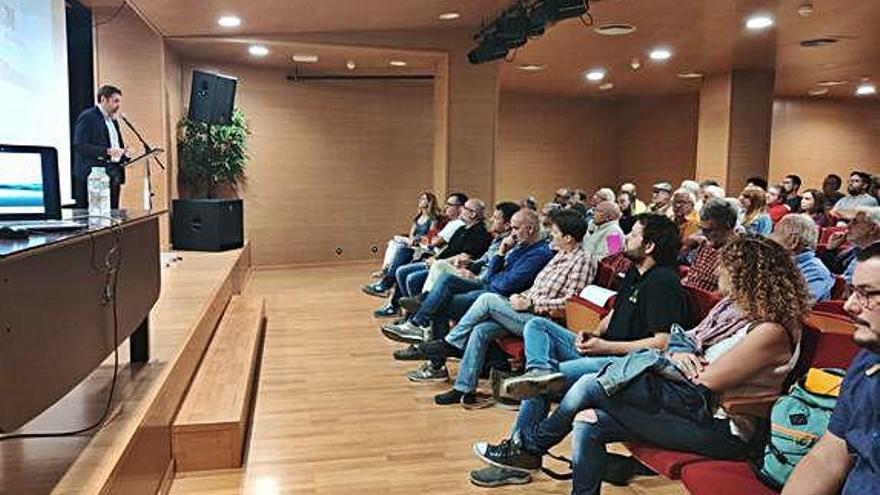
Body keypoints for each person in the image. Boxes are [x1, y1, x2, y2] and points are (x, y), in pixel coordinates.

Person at [473, 235, 810, 495]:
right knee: (588, 420)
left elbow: (704, 380)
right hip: (685, 403)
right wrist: (678, 352)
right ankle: (553, 464)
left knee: (589, 385)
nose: (718, 271)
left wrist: (679, 353)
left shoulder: (770, 331)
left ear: (746, 275)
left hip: (721, 427)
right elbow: (681, 337)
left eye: (727, 267)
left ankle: (530, 446)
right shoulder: (731, 311)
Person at [498, 214, 688, 400]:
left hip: (626, 361)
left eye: (599, 208)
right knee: (536, 327)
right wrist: (594, 333)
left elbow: (663, 342)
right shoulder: (631, 267)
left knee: (545, 379)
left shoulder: (615, 234)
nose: (627, 236)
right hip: (604, 346)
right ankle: (537, 372)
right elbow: (616, 310)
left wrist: (606, 346)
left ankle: (531, 408)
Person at [419, 209, 591, 405]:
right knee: (480, 330)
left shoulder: (581, 261)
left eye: (556, 232)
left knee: (487, 299)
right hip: (523, 309)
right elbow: (536, 288)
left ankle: (450, 342)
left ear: (568, 238)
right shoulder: (559, 256)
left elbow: (571, 303)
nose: (551, 235)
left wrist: (532, 303)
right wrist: (523, 296)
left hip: (542, 320)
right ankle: (464, 388)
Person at [386, 209, 553, 382]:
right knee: (446, 279)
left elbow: (503, 286)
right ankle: (421, 319)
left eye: (516, 229)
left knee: (440, 304)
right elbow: (490, 277)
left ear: (531, 229)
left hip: (499, 300)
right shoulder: (518, 247)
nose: (512, 234)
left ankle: (429, 348)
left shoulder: (538, 255)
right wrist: (501, 252)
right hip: (488, 289)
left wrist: (495, 271)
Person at [782, 243, 880, 495]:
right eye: (852, 291)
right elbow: (827, 459)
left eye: (866, 294)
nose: (849, 306)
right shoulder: (866, 362)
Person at [363, 192, 466, 299]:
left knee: (402, 251)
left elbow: (432, 240)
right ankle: (386, 276)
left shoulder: (444, 221)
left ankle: (387, 284)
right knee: (395, 244)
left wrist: (419, 240)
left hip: (429, 250)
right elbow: (427, 237)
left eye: (449, 204)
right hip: (423, 246)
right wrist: (416, 239)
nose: (446, 207)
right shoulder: (423, 218)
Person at [73, 85, 130, 209]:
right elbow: (80, 145)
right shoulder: (88, 117)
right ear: (103, 99)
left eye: (119, 101)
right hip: (93, 177)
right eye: (115, 101)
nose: (118, 105)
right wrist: (107, 151)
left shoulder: (113, 120)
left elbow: (115, 144)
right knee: (97, 218)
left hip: (112, 174)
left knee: (113, 214)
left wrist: (124, 154)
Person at [771, 214, 835, 302]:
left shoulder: (815, 273)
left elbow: (793, 307)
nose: (769, 237)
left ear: (793, 241)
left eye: (775, 232)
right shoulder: (778, 262)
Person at [682, 198, 738, 293]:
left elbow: (725, 294)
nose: (704, 234)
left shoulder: (736, 252)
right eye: (702, 229)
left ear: (727, 226)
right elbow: (693, 276)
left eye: (710, 230)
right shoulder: (706, 243)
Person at [821, 208, 880, 284]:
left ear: (873, 229)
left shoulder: (875, 259)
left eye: (855, 222)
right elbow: (828, 272)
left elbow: (844, 287)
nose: (848, 226)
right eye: (850, 221)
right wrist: (830, 250)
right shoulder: (854, 250)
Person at [581, 201, 625, 282]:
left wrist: (583, 260)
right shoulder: (594, 225)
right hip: (584, 267)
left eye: (597, 210)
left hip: (594, 274)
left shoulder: (614, 233)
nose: (593, 213)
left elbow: (611, 260)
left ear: (608, 216)